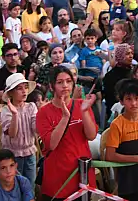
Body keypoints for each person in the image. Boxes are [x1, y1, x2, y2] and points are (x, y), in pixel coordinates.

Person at [36, 66, 97, 201]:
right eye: (60, 82)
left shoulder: (82, 105)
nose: (65, 86)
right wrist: (65, 118)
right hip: (58, 178)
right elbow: (51, 144)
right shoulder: (43, 112)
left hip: (81, 174)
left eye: (68, 81)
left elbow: (91, 136)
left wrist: (85, 112)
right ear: (52, 87)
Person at [0, 72, 39, 183]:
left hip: (29, 152)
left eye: (25, 88)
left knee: (30, 185)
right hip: (12, 155)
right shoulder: (6, 110)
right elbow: (12, 133)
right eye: (19, 89)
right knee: (16, 185)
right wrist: (15, 114)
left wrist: (43, 114)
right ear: (11, 93)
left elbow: (36, 129)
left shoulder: (31, 106)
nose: (24, 91)